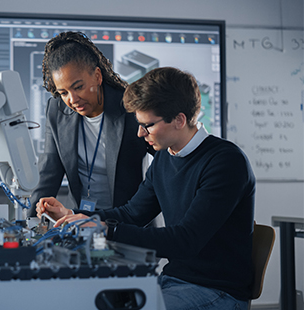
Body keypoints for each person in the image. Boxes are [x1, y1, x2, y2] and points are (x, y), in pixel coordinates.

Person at [36, 67, 256, 309]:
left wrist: (106, 230)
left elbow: (185, 240)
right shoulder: (165, 157)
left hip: (217, 290)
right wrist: (74, 217)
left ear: (179, 120)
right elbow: (132, 213)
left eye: (147, 125)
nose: (140, 133)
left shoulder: (225, 162)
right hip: (173, 280)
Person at [27, 32, 153, 217]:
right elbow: (48, 173)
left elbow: (166, 161)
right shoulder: (57, 110)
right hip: (78, 218)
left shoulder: (130, 107)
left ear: (97, 76)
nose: (72, 99)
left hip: (129, 220)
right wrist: (28, 226)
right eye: (63, 92)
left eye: (78, 87)